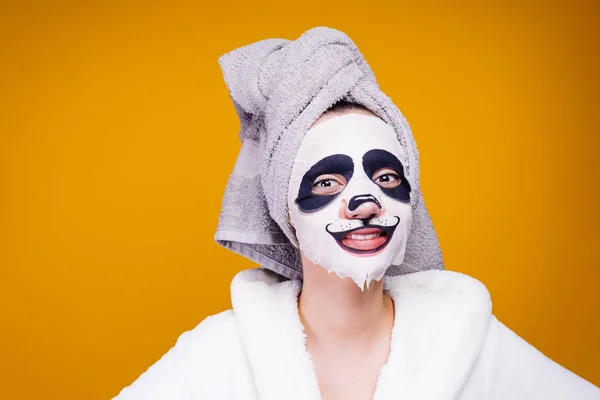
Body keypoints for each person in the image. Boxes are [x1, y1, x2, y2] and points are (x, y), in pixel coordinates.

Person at [112, 27, 600, 400]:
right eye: (327, 182)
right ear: (286, 210)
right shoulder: (217, 353)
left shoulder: (470, 339)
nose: (366, 203)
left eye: (387, 178)